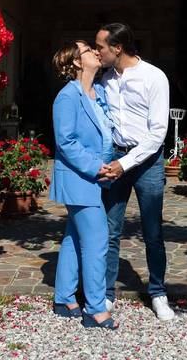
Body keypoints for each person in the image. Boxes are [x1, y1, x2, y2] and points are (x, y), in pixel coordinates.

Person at [95, 22, 175, 321]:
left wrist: (124, 164)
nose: (97, 52)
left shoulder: (154, 78)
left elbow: (158, 134)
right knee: (109, 230)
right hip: (115, 156)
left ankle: (158, 293)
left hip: (147, 161)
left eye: (100, 47)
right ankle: (105, 294)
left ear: (117, 48)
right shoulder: (105, 79)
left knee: (152, 231)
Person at [49, 40, 117, 329]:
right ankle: (95, 309)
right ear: (77, 62)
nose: (95, 52)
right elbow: (65, 141)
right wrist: (95, 167)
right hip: (80, 178)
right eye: (89, 50)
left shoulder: (97, 92)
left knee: (74, 238)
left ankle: (64, 298)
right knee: (97, 240)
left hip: (98, 177)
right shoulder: (67, 97)